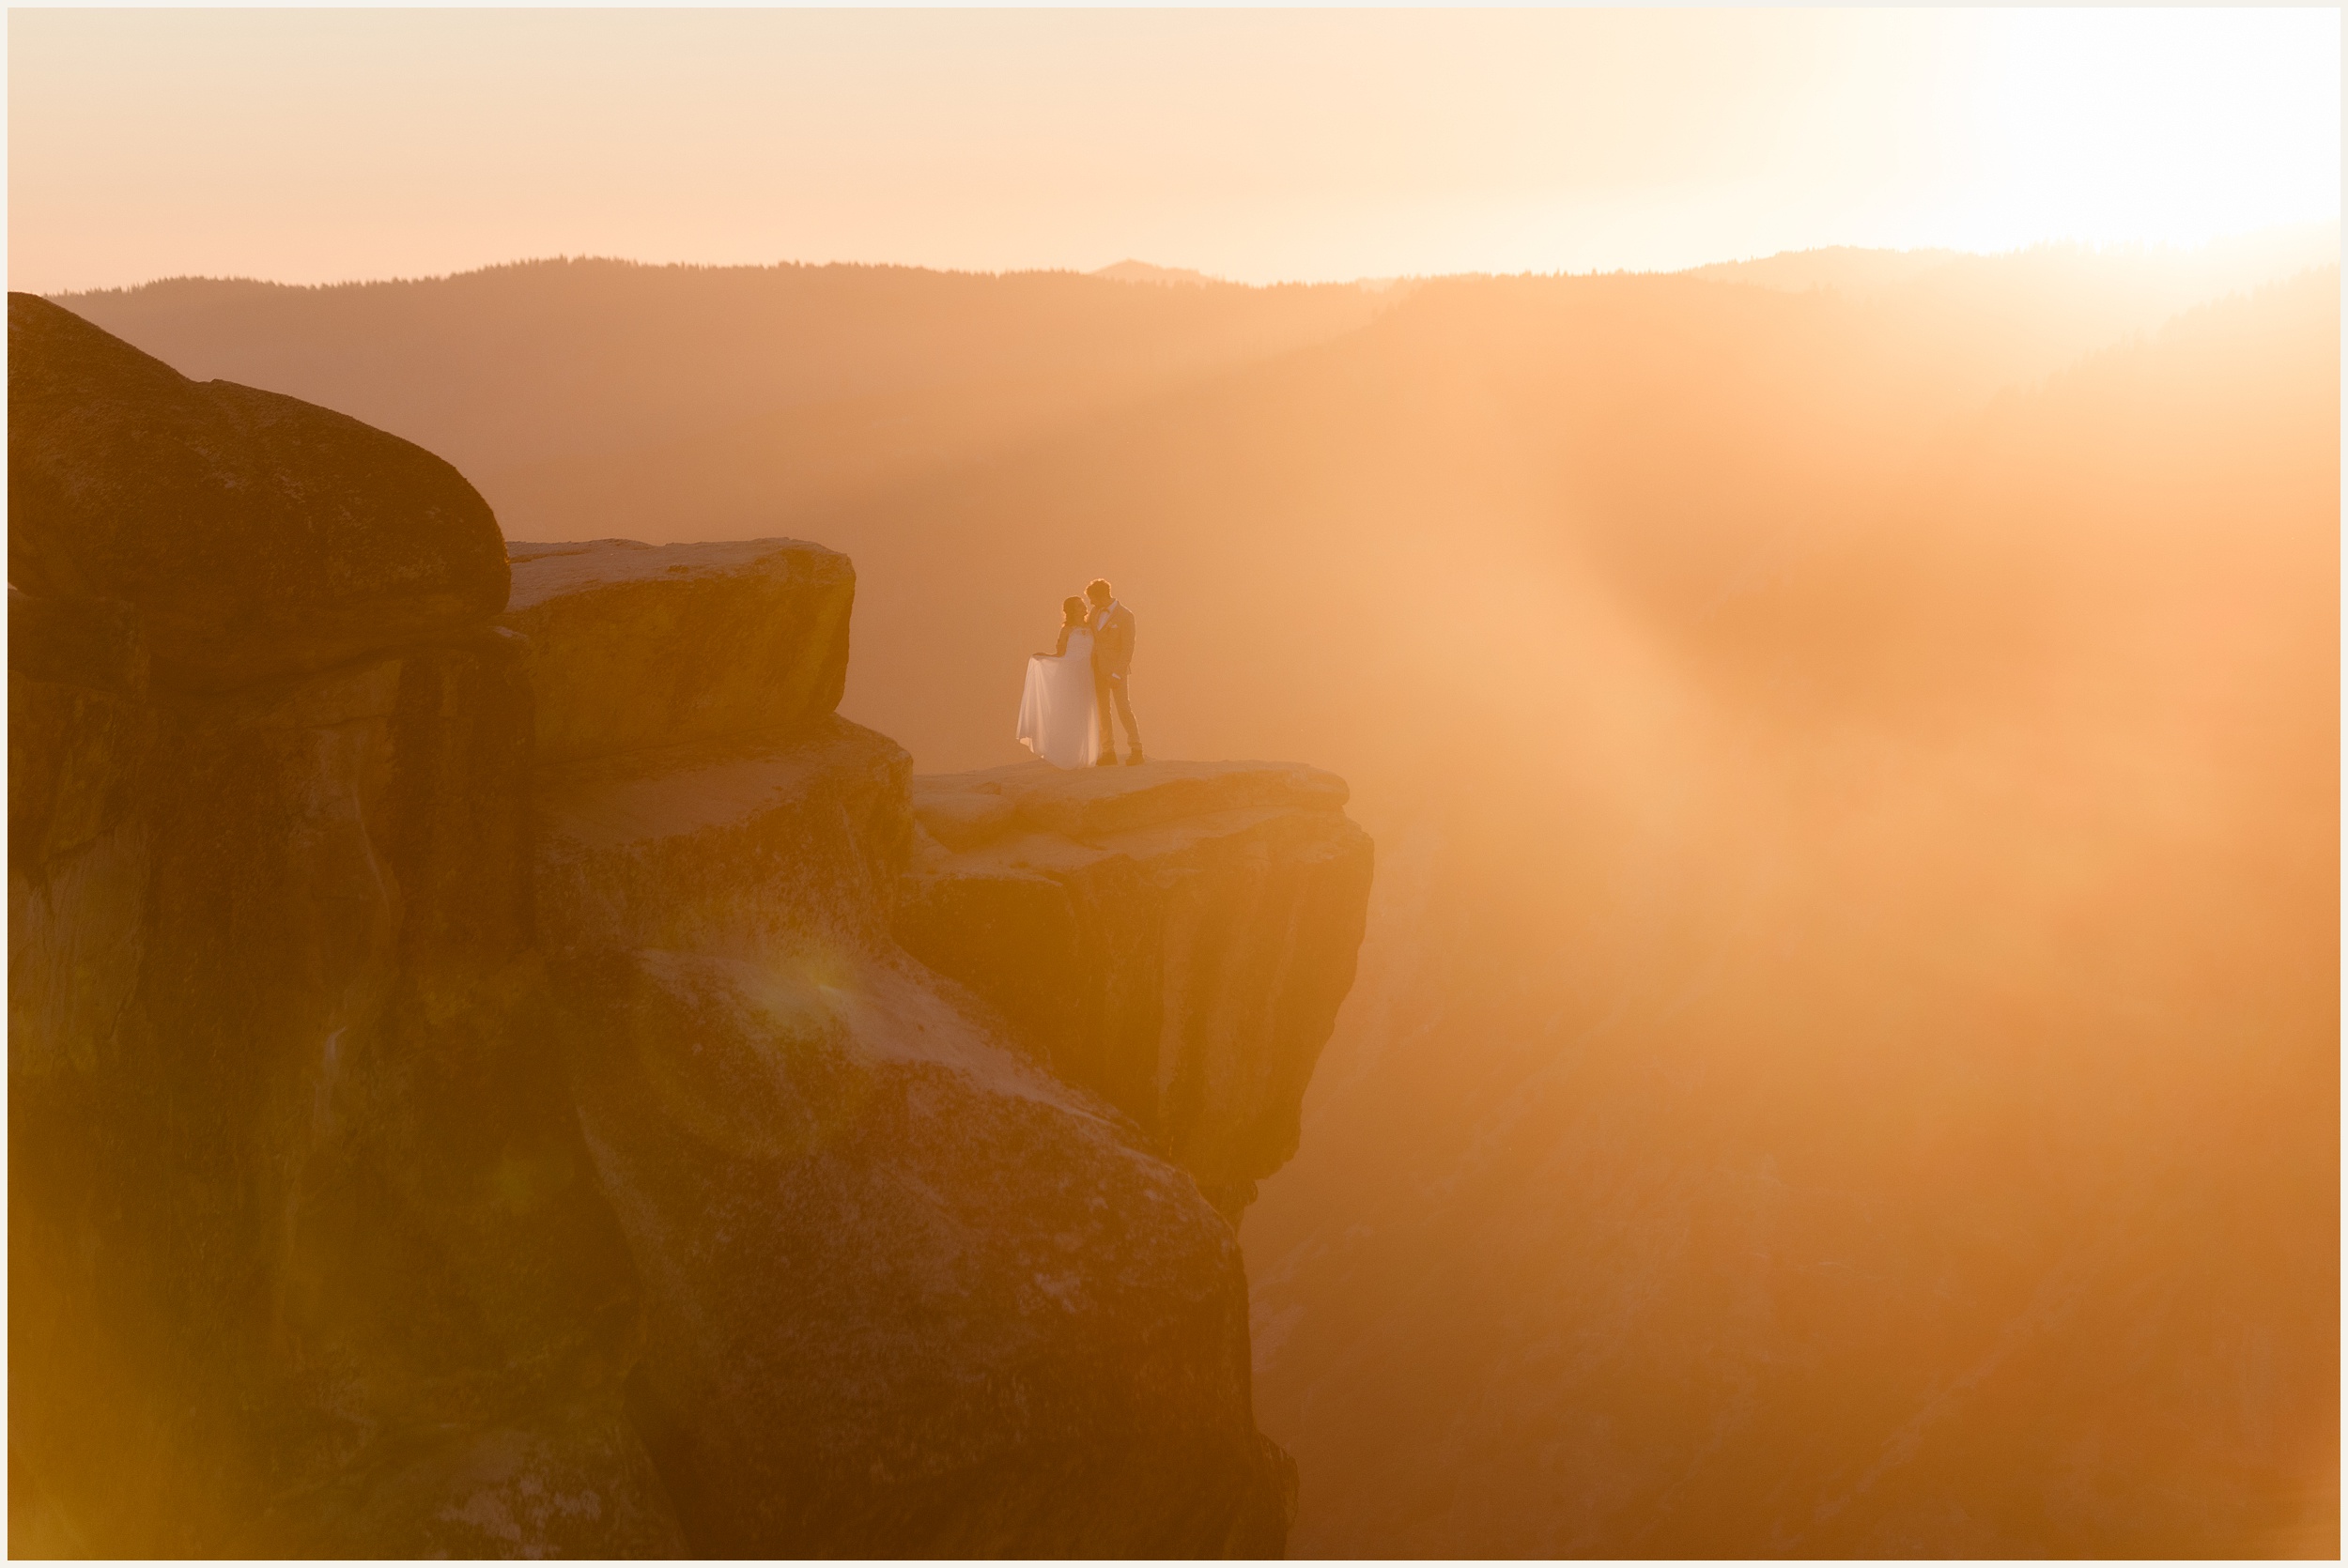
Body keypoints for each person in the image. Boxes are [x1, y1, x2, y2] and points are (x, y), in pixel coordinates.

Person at [1016, 596, 1103, 768]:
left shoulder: (1091, 627)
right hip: (1070, 672)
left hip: (1086, 674)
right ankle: (1069, 754)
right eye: (1079, 606)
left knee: (1086, 711)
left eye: (1083, 605)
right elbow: (1061, 653)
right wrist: (1044, 658)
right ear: (1072, 610)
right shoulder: (1067, 630)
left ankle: (1085, 755)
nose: (1083, 607)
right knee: (1072, 712)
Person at [1086, 577, 1143, 766]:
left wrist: (1118, 673)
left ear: (1102, 596)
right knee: (1103, 711)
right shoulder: (1094, 613)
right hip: (1097, 669)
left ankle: (1136, 749)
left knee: (1123, 709)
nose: (1091, 602)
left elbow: (1128, 648)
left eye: (1093, 598)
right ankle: (1108, 751)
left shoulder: (1126, 616)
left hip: (1116, 671)